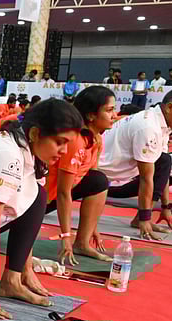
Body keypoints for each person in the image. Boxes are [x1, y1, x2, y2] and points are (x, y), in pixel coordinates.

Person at [0, 99, 83, 319]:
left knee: (38, 197)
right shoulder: (5, 154)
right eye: (59, 142)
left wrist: (25, 269)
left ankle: (13, 279)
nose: (64, 151)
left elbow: (26, 207)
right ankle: (9, 280)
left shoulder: (28, 149)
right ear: (36, 134)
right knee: (35, 198)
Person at [98, 85, 172, 240]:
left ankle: (140, 217)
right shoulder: (148, 127)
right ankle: (141, 218)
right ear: (170, 107)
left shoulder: (161, 124)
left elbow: (163, 172)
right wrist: (145, 218)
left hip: (123, 176)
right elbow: (146, 178)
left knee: (164, 160)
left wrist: (166, 207)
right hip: (105, 180)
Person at [45, 86, 116, 264]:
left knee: (99, 180)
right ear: (91, 115)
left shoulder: (96, 138)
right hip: (42, 198)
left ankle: (82, 243)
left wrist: (92, 227)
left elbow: (92, 180)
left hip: (61, 192)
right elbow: (63, 191)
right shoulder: (76, 141)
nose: (114, 115)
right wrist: (66, 236)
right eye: (109, 110)